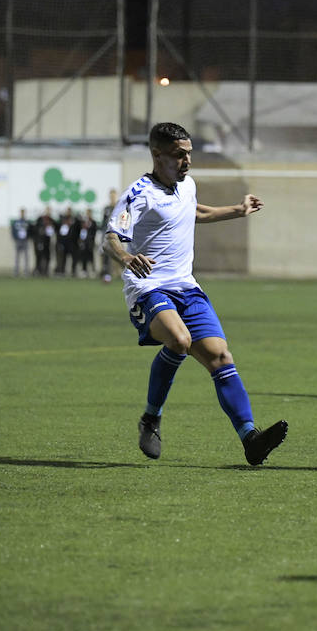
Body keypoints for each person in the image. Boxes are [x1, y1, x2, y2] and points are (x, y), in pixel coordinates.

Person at [103, 121, 287, 466]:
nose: (187, 161)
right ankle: (151, 419)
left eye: (188, 154)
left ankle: (250, 437)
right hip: (149, 287)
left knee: (221, 357)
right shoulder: (139, 193)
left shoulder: (187, 185)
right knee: (179, 340)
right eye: (179, 155)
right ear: (157, 155)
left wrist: (238, 210)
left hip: (187, 287)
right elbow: (111, 236)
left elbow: (195, 211)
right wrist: (127, 258)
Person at [100, 189, 120, 283]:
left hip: (116, 235)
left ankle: (119, 273)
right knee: (106, 254)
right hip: (107, 235)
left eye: (113, 196)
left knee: (118, 254)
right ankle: (107, 273)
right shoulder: (106, 208)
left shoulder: (120, 207)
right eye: (111, 196)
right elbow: (103, 222)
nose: (112, 197)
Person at [10, 207, 32, 277]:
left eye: (23, 213)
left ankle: (26, 272)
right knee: (17, 257)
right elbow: (13, 231)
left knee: (26, 257)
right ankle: (16, 271)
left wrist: (28, 237)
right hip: (18, 240)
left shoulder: (27, 222)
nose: (22, 214)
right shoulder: (16, 222)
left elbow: (30, 231)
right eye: (21, 213)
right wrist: (15, 238)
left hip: (25, 240)